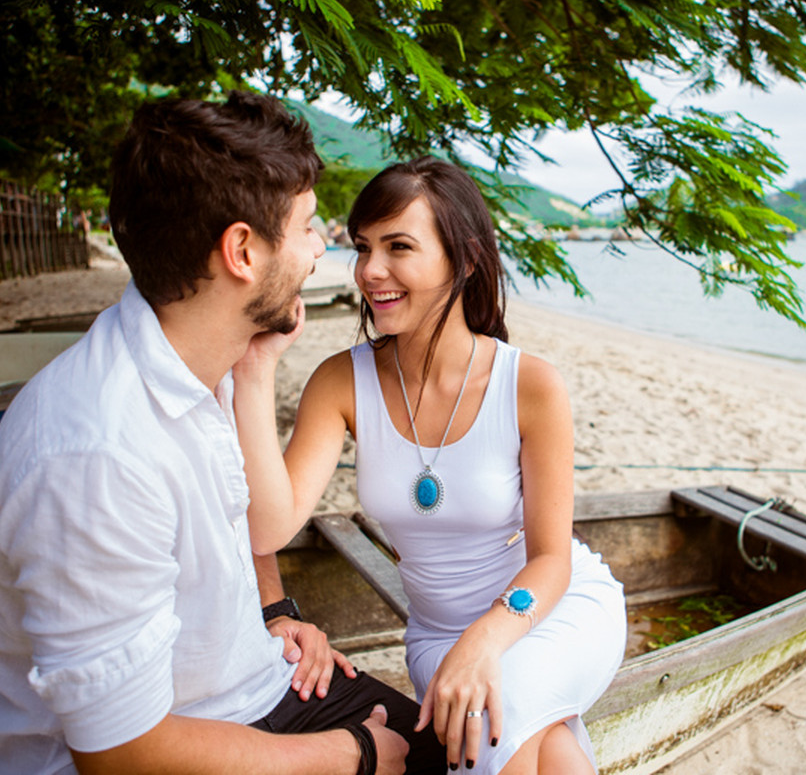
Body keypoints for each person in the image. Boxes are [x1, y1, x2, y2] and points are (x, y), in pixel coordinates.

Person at [0, 92, 445, 775]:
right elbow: (123, 752)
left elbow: (235, 519)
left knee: (463, 750)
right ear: (242, 251)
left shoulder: (201, 359)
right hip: (163, 744)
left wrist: (274, 611)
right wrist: (352, 752)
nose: (319, 252)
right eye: (309, 227)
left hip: (251, 685)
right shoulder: (96, 455)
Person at [234, 156, 627, 774]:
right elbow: (268, 527)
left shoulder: (531, 386)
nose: (371, 271)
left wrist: (487, 640)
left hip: (548, 610)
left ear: (464, 259)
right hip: (438, 637)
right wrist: (256, 371)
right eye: (363, 247)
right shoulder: (342, 381)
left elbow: (552, 559)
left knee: (494, 723)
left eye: (399, 247)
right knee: (540, 747)